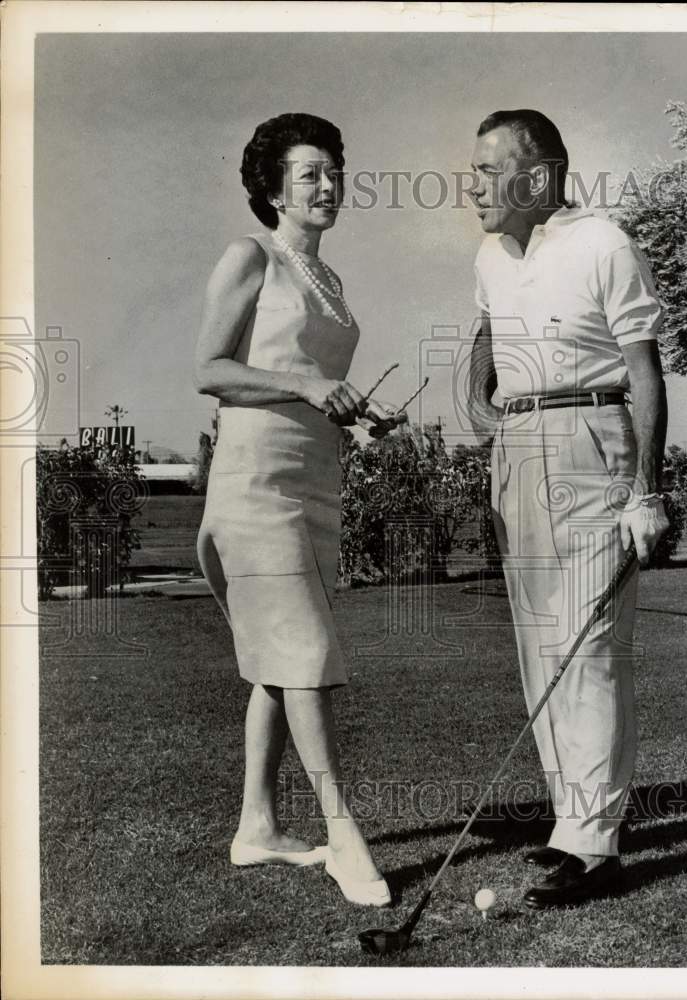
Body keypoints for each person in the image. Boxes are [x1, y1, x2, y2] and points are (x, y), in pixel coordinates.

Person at [194, 113, 400, 907]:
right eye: (311, 173)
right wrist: (309, 386)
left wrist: (356, 412)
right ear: (273, 189)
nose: (328, 185)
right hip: (255, 483)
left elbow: (312, 381)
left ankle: (258, 826)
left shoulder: (330, 281)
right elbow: (211, 369)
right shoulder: (250, 256)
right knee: (304, 652)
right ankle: (344, 835)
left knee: (280, 662)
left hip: (316, 480)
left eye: (334, 171)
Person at [466, 109, 670, 906]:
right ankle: (570, 826)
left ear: (541, 175)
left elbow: (645, 373)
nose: (473, 186)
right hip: (517, 448)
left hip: (593, 439)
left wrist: (647, 492)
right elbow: (485, 339)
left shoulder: (605, 244)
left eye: (488, 171)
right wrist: (483, 409)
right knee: (541, 649)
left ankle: (595, 845)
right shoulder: (489, 256)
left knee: (589, 649)